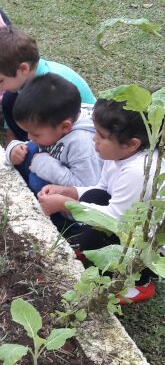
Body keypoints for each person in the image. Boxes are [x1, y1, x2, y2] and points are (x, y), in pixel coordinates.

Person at [37, 98, 164, 303]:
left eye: (101, 136)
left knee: (100, 224)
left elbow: (116, 221)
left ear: (132, 144)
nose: (94, 140)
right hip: (129, 219)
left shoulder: (138, 171)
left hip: (152, 246)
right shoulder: (118, 156)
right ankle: (89, 249)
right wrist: (70, 192)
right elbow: (102, 189)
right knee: (93, 197)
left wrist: (64, 204)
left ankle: (140, 282)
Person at [0, 25, 95, 140]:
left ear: (24, 69)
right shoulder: (25, 79)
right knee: (9, 98)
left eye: (0, 80)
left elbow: (57, 124)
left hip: (82, 131)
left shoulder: (49, 89)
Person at [5, 74, 101, 198]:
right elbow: (27, 145)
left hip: (78, 202)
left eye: (35, 134)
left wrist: (43, 164)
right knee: (28, 151)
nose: (29, 137)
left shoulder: (83, 144)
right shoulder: (56, 123)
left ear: (65, 127)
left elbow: (86, 189)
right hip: (53, 163)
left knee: (37, 180)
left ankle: (56, 217)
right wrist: (13, 149)